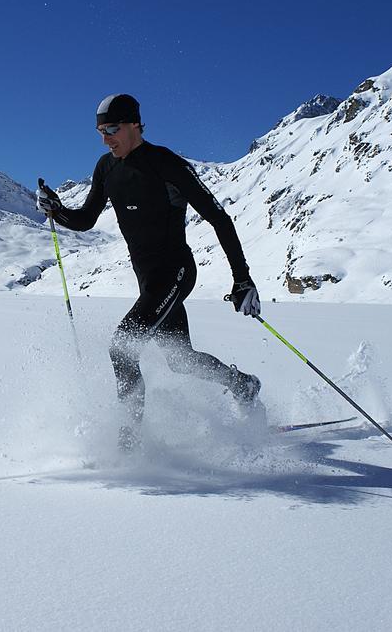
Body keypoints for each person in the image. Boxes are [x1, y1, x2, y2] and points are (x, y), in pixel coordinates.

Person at [37, 93, 262, 451]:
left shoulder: (165, 164)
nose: (105, 138)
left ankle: (128, 445)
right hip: (148, 281)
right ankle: (242, 385)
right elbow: (85, 220)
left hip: (175, 272)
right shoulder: (106, 169)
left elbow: (219, 217)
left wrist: (242, 278)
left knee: (121, 347)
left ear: (135, 125)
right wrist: (57, 209)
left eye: (112, 128)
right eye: (100, 131)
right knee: (181, 362)